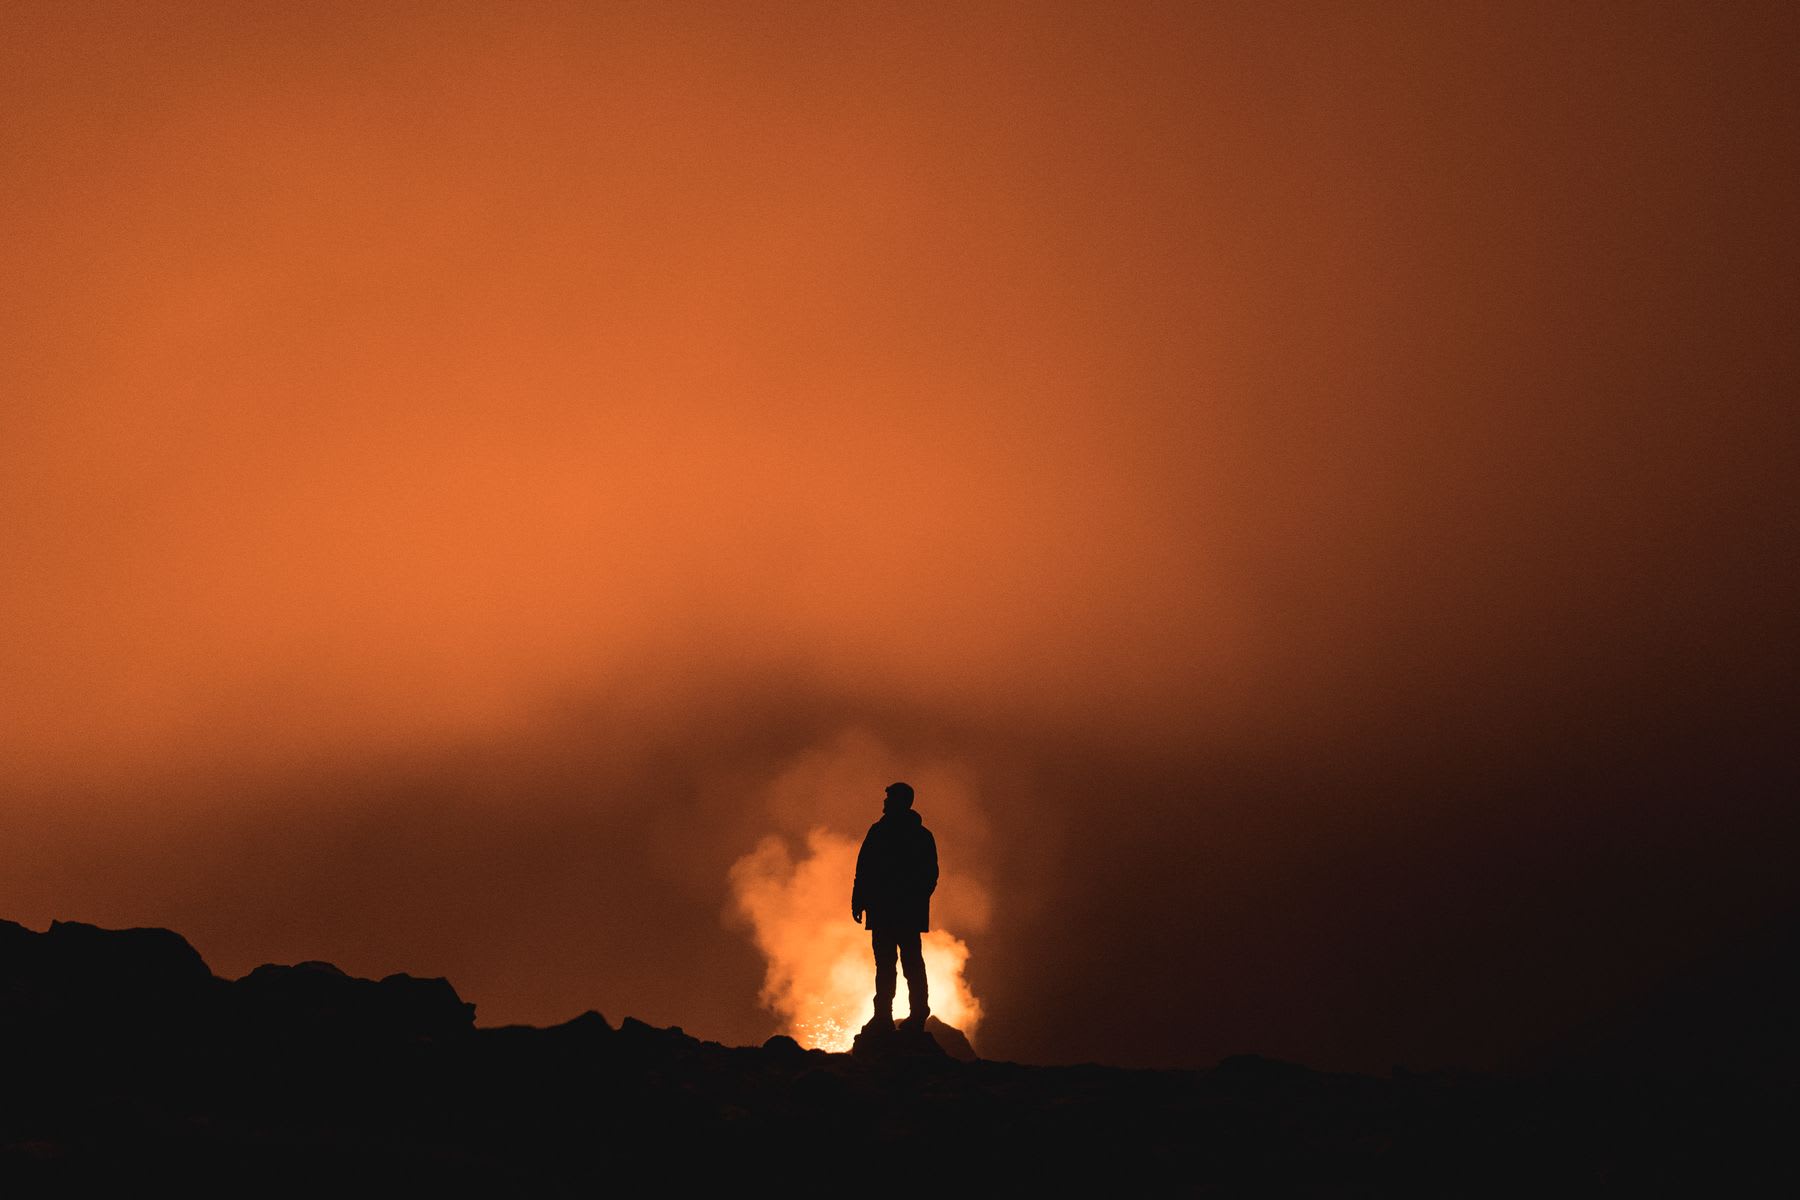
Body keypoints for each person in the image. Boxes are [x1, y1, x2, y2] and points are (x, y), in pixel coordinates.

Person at [851, 781, 939, 1034]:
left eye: (889, 798)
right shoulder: (907, 834)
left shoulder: (891, 833)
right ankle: (886, 1016)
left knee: (902, 963)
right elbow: (864, 868)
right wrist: (860, 899)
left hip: (894, 911)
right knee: (892, 963)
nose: (885, 802)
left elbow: (928, 875)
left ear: (901, 801)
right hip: (894, 911)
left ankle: (913, 1013)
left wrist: (863, 899)